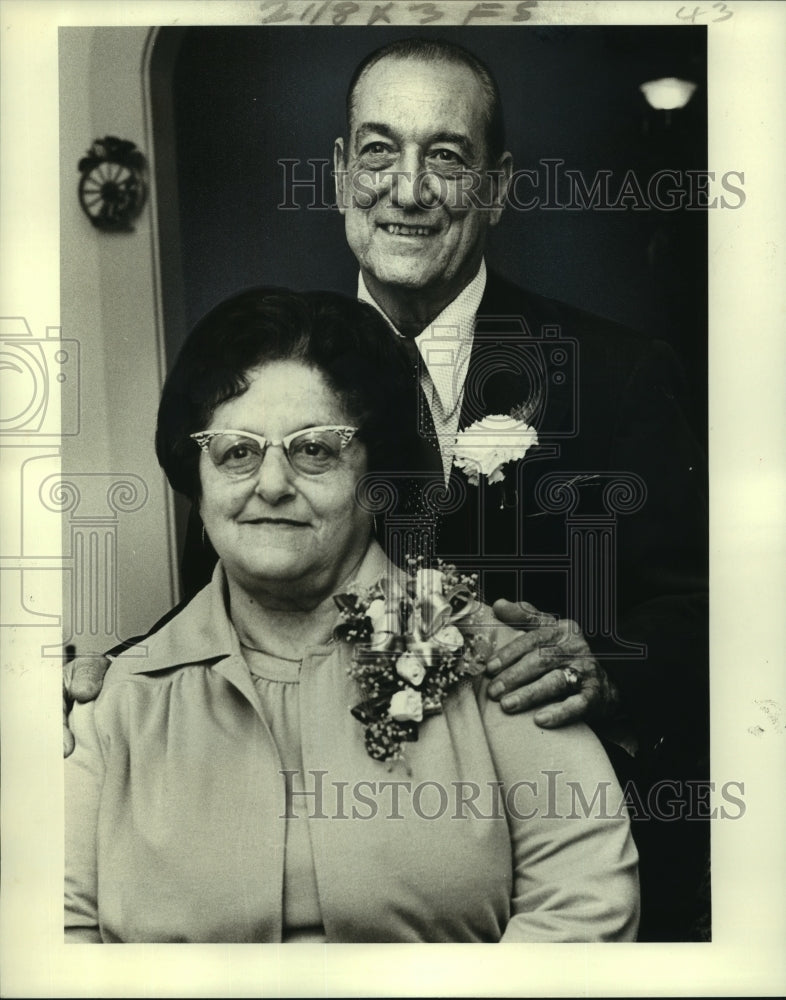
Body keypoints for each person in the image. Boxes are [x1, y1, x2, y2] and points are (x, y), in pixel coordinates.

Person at [63, 37, 707, 939]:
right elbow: (242, 574)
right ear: (337, 172)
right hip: (307, 838)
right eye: (377, 150)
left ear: (497, 185)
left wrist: (603, 665)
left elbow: (713, 614)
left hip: (535, 862)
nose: (407, 188)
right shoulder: (261, 384)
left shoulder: (616, 374)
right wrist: (120, 674)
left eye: (446, 155)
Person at [65, 287, 639, 943]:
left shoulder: (500, 662)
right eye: (237, 450)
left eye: (315, 449)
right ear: (196, 480)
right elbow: (54, 932)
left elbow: (583, 902)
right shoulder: (113, 701)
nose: (272, 484)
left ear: (378, 473)